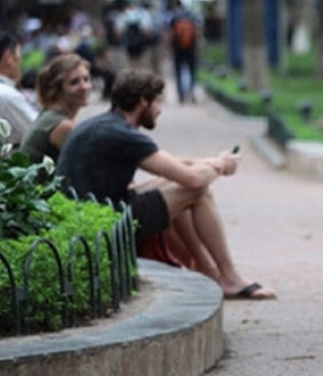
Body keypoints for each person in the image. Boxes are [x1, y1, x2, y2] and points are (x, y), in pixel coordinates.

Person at [55, 68, 277, 300]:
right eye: (157, 102)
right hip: (107, 227)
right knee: (197, 191)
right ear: (143, 102)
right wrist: (220, 165)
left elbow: (171, 164)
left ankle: (207, 271)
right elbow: (193, 178)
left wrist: (210, 161)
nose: (160, 110)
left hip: (92, 215)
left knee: (174, 183)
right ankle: (228, 277)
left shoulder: (105, 124)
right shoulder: (124, 135)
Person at [20, 53, 92, 165]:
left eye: (86, 79)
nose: (84, 87)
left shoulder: (50, 115)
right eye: (74, 82)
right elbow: (88, 167)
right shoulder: (63, 126)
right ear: (58, 89)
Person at [0, 30, 38, 147]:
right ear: (8, 57)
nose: (20, 63)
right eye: (19, 56)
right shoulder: (5, 95)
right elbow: (38, 134)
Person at [167, 0, 200, 103]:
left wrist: (168, 47)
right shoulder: (192, 16)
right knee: (192, 71)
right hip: (191, 48)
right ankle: (191, 92)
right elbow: (197, 32)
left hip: (177, 48)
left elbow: (170, 33)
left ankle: (181, 95)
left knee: (178, 71)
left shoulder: (174, 17)